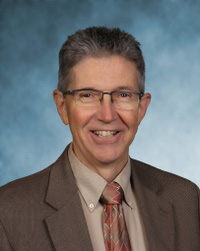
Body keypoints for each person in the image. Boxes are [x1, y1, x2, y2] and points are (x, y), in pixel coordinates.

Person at [0, 27, 199, 251]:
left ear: (141, 108)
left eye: (123, 95)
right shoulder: (8, 212)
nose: (107, 115)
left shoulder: (185, 200)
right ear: (62, 106)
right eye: (87, 95)